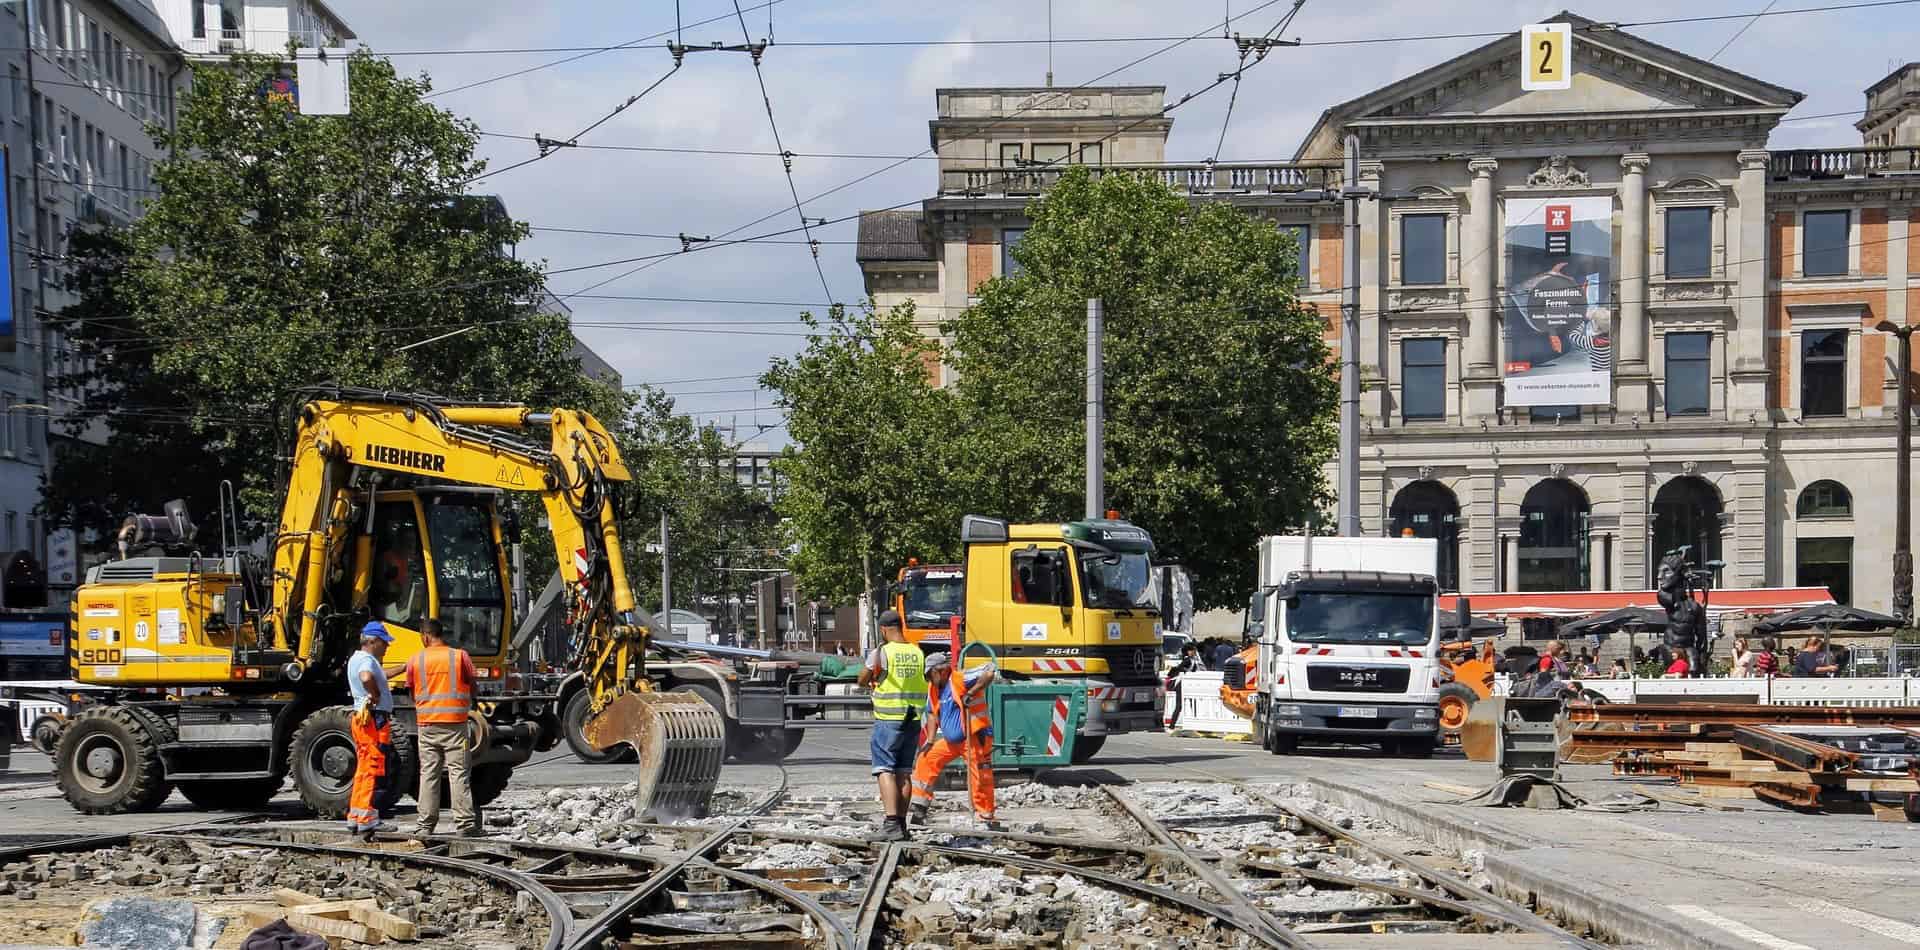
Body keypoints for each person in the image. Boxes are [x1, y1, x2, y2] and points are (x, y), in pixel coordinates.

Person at [909, 649, 998, 828]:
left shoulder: (960, 678)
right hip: (952, 742)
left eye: (929, 675)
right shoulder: (934, 688)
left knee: (979, 775)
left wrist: (971, 693)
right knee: (926, 759)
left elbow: (990, 670)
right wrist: (930, 740)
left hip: (973, 737)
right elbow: (932, 714)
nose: (928, 679)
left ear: (940, 671)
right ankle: (919, 809)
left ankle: (984, 815)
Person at [857, 609, 926, 842]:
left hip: (889, 719)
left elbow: (863, 678)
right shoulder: (917, 651)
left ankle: (890, 823)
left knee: (884, 769)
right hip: (913, 719)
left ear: (884, 630)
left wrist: (872, 681)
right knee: (904, 772)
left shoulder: (882, 652)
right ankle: (902, 826)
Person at [407, 618, 479, 838]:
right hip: (455, 724)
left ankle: (425, 825)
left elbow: (412, 691)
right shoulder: (459, 656)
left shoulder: (415, 660)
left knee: (428, 773)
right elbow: (473, 685)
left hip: (427, 725)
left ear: (425, 636)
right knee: (458, 773)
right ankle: (465, 824)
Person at [346, 621, 399, 841]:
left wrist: (405, 668)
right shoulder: (367, 660)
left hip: (362, 718)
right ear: (372, 641)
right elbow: (367, 677)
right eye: (384, 643)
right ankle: (368, 820)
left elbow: (377, 675)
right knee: (373, 767)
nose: (387, 647)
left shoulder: (357, 659)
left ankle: (356, 816)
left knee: (363, 767)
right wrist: (376, 696)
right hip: (373, 719)